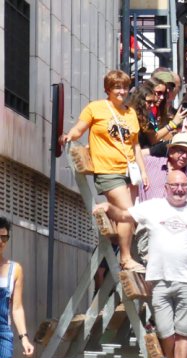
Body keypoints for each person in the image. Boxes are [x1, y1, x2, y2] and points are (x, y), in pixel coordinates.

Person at [94, 170, 187, 358]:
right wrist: (109, 208)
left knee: (184, 330)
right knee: (166, 332)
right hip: (158, 280)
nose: (179, 189)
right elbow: (125, 216)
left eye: (183, 186)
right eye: (174, 185)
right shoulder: (153, 207)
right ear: (166, 188)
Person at [60, 70, 149, 273]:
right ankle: (125, 258)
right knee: (128, 213)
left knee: (129, 216)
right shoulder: (96, 108)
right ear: (108, 89)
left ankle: (117, 239)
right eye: (117, 87)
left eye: (125, 87)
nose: (122, 91)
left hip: (129, 171)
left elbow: (135, 146)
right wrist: (69, 136)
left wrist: (143, 172)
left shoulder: (130, 113)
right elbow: (79, 128)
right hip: (108, 171)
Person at [0, 218, 35, 358]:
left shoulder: (15, 269)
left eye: (5, 238)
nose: (1, 242)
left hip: (3, 333)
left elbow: (17, 307)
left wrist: (24, 337)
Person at [140, 132, 187, 202]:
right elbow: (132, 157)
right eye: (181, 151)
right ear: (171, 151)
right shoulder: (150, 163)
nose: (185, 156)